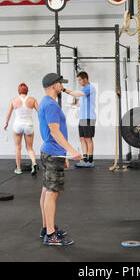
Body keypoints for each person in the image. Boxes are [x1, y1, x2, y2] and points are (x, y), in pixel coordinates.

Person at [39, 73, 82, 246]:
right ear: (53, 85)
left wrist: (64, 153)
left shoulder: (47, 102)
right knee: (51, 194)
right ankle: (51, 235)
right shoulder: (51, 105)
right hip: (53, 153)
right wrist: (71, 150)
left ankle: (46, 227)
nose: (61, 86)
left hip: (51, 152)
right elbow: (54, 131)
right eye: (59, 84)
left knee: (46, 190)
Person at [4, 83, 39, 176]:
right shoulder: (32, 100)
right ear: (27, 90)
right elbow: (40, 112)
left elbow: (8, 114)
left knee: (18, 148)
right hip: (29, 125)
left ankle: (18, 169)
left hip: (17, 125)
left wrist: (6, 123)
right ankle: (34, 163)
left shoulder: (14, 100)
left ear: (18, 91)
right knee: (30, 148)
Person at [62, 71, 96, 167]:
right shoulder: (84, 89)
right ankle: (84, 159)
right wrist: (75, 105)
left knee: (88, 139)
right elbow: (82, 103)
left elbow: (76, 94)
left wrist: (64, 90)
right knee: (82, 138)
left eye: (80, 80)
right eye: (78, 80)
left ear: (85, 79)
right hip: (82, 117)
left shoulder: (89, 88)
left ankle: (90, 160)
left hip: (89, 117)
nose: (79, 82)